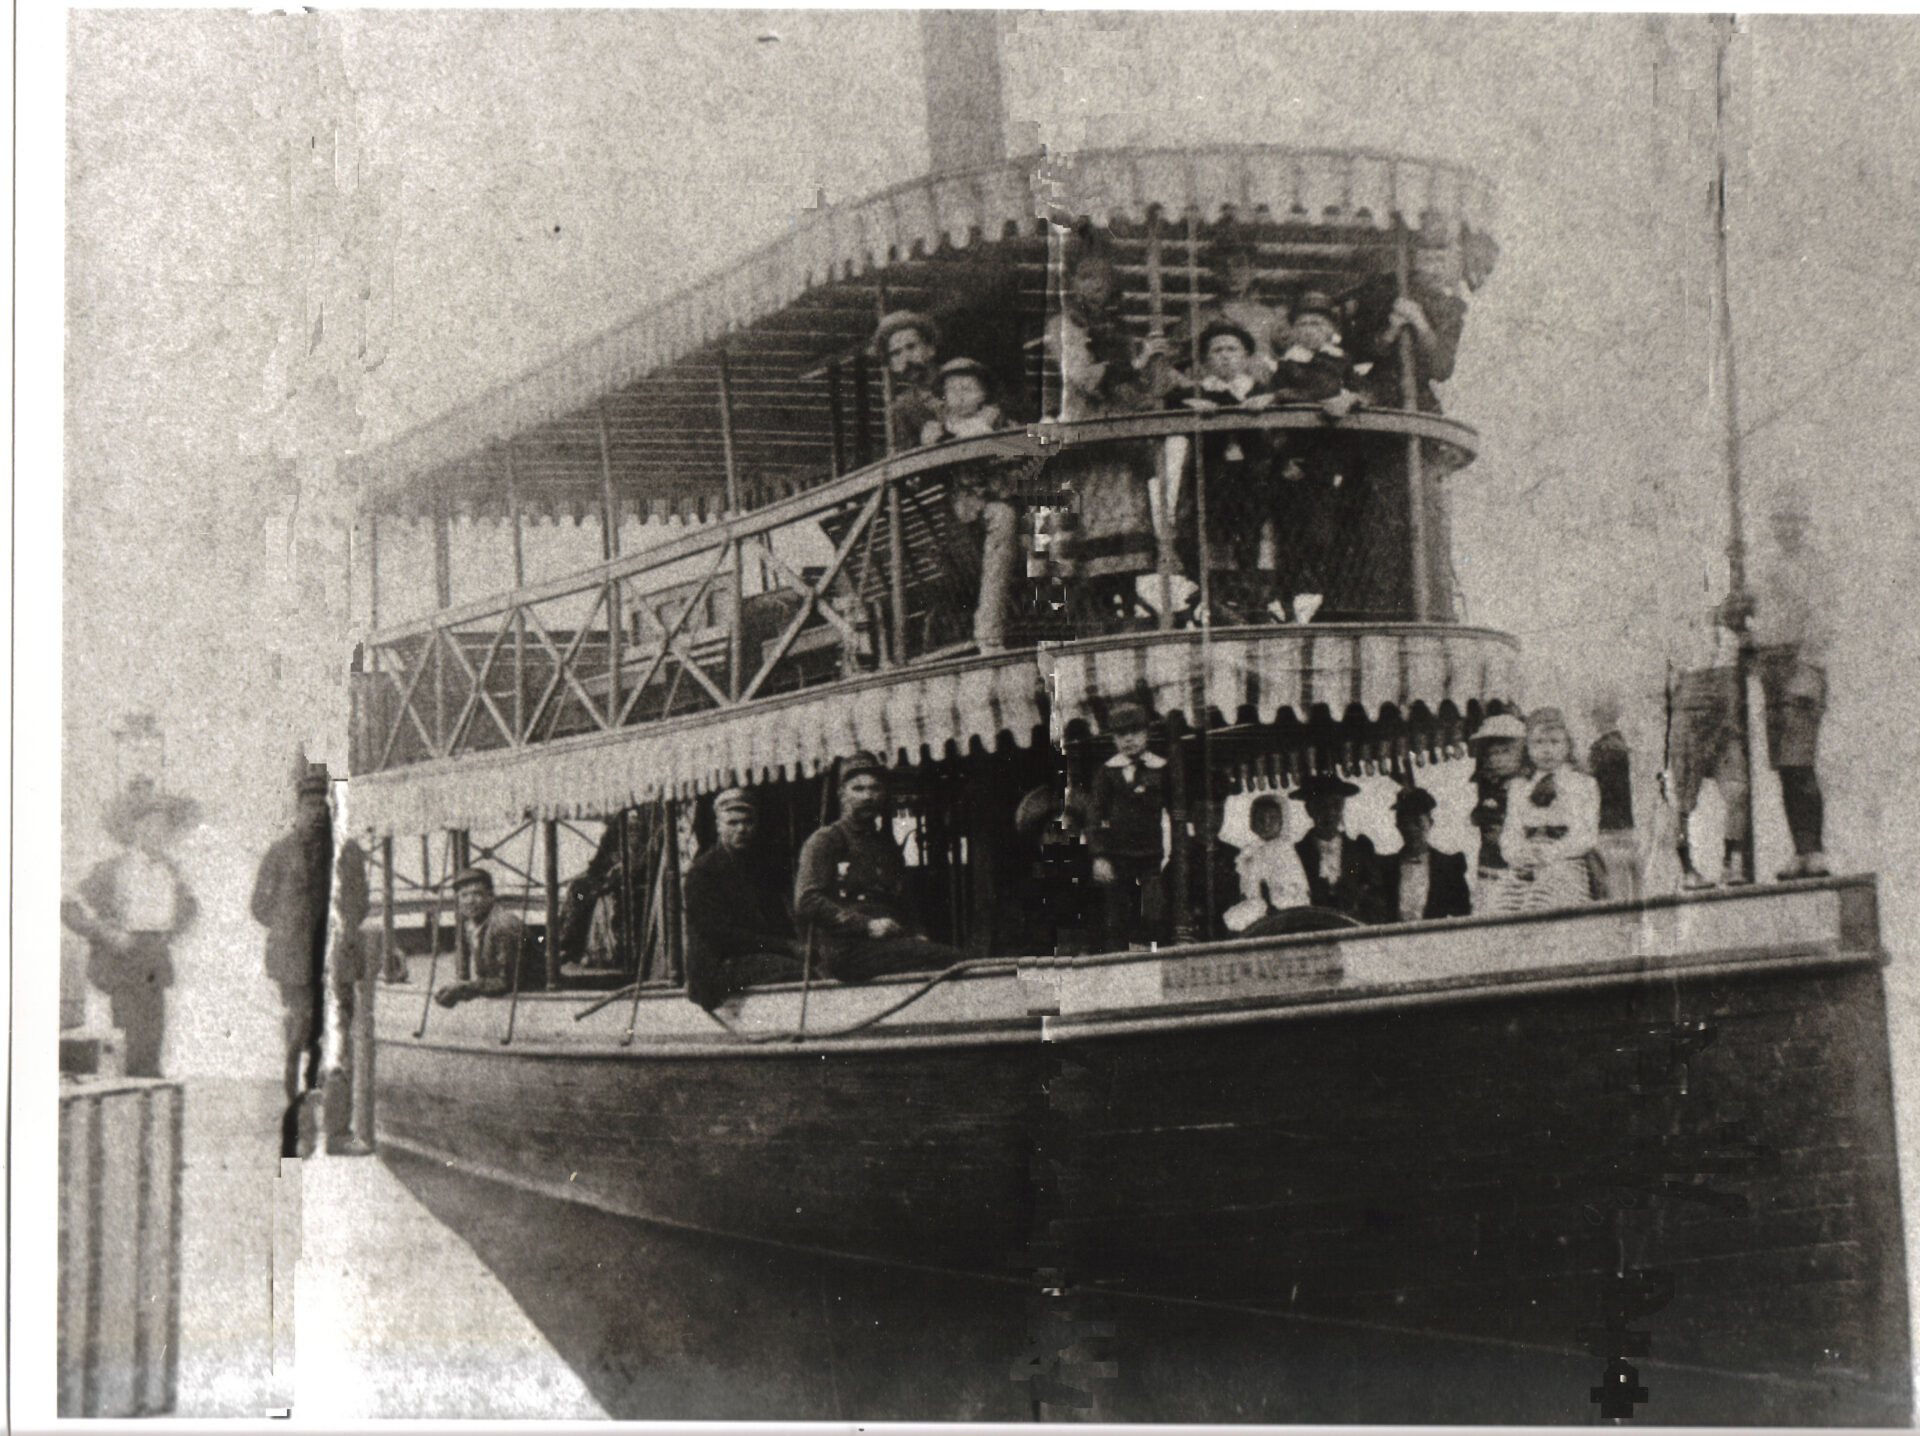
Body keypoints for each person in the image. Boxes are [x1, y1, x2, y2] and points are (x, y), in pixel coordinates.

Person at [1043, 234, 1167, 632]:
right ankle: (1091, 615)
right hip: (1085, 441)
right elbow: (1082, 376)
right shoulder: (1063, 326)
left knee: (1129, 528)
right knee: (1086, 534)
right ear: (1073, 283)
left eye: (1103, 277)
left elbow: (1146, 390)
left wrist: (1151, 366)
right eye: (1085, 277)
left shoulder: (1123, 329)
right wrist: (1132, 365)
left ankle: (1126, 608)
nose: (1095, 285)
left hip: (1120, 443)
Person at [1719, 490, 1834, 879]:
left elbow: (1821, 622)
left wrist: (1807, 671)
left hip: (1801, 666)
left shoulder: (1815, 566)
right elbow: (1733, 611)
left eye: (1793, 519)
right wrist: (1727, 569)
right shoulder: (1765, 568)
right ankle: (1799, 850)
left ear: (1804, 523)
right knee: (1785, 767)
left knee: (1800, 762)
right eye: (1779, 519)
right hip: (1770, 670)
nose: (1786, 527)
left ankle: (1813, 849)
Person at [62, 782, 200, 1077]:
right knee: (126, 1040)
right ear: (135, 829)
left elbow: (189, 907)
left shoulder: (170, 871)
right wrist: (107, 934)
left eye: (163, 827)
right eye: (150, 825)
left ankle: (151, 1100)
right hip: (123, 961)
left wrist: (169, 932)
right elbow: (70, 907)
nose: (157, 833)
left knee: (153, 1040)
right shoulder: (114, 869)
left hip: (155, 961)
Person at [794, 752, 964, 981]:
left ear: (883, 794)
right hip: (847, 949)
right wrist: (867, 926)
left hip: (888, 944)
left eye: (874, 789)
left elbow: (905, 900)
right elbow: (807, 901)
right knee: (956, 960)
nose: (868, 796)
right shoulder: (827, 840)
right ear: (841, 795)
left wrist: (918, 933)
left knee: (942, 961)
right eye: (858, 789)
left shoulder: (886, 846)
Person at [1164, 320, 1281, 622]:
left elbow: (1284, 400)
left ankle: (1252, 597)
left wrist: (1271, 400)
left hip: (1250, 476)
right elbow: (1170, 401)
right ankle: (1210, 595)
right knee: (1192, 533)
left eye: (1233, 349)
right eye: (1217, 350)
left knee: (1249, 534)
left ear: (1246, 356)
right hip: (1209, 475)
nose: (1226, 355)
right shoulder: (1200, 391)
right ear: (1204, 361)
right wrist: (1190, 403)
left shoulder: (1258, 389)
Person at [251, 767, 335, 1146]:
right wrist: (288, 925)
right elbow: (259, 905)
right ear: (297, 809)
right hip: (292, 956)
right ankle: (297, 1104)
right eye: (309, 805)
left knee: (322, 1030)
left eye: (322, 804)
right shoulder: (280, 851)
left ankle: (316, 1100)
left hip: (327, 955)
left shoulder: (336, 848)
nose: (316, 812)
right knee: (301, 1027)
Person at [925, 357, 1022, 653]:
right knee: (1003, 518)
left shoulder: (999, 420)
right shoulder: (941, 429)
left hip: (1009, 497)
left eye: (969, 388)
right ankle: (989, 629)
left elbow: (1026, 451)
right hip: (964, 518)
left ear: (983, 394)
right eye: (952, 390)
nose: (961, 394)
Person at [682, 787, 804, 1010]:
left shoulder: (757, 867)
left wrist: (797, 944)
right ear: (719, 826)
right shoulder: (704, 871)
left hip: (749, 959)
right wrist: (786, 946)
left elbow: (776, 918)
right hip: (717, 967)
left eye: (747, 822)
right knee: (797, 971)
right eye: (732, 823)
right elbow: (718, 933)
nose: (741, 829)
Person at [1086, 701, 1171, 949]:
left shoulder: (1160, 768)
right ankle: (1120, 965)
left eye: (1135, 732)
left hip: (1152, 856)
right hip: (1118, 856)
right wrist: (1099, 856)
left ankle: (1154, 957)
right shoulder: (1107, 772)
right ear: (1114, 738)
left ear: (1147, 733)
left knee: (1154, 912)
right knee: (1118, 915)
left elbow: (1173, 810)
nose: (1129, 739)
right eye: (1122, 734)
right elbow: (1094, 816)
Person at [1506, 707, 1601, 912]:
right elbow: (1510, 832)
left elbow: (1586, 835)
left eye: (1554, 742)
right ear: (1527, 748)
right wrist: (1519, 855)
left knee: (1540, 902)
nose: (1546, 750)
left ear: (1568, 745)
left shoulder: (1583, 784)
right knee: (1504, 906)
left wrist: (1549, 854)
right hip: (1526, 864)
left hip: (1565, 863)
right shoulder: (1519, 787)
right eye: (1538, 743)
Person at [432, 867, 531, 1007]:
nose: (469, 901)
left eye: (477, 894)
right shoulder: (473, 925)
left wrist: (465, 989)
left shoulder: (504, 926)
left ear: (491, 896)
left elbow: (509, 981)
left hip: (527, 996)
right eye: (464, 895)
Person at [1290, 773, 1382, 923]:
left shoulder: (1360, 850)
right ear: (1309, 809)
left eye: (1336, 804)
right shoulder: (1296, 854)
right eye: (1321, 805)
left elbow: (1377, 896)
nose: (1330, 812)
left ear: (1343, 806)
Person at [1374, 786, 1473, 922]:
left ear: (1430, 823)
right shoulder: (1384, 867)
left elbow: (1463, 917)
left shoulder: (1450, 867)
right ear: (1397, 825)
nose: (1411, 829)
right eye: (1405, 822)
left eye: (1418, 822)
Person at [1467, 712, 1530, 914]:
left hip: (1520, 872)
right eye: (1492, 754)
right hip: (1490, 870)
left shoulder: (1530, 789)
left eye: (1505, 752)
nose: (1497, 759)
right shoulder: (1489, 790)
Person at [1224, 792, 1312, 933]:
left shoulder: (1284, 850)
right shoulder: (1250, 852)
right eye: (1260, 820)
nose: (1266, 824)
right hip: (1254, 902)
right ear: (1252, 823)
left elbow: (1290, 883)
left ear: (1281, 822)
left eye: (1272, 819)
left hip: (1281, 904)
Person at [1586, 695, 1643, 902]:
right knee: (1636, 878)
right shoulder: (1623, 745)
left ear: (1597, 717)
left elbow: (1590, 785)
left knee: (1615, 880)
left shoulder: (1599, 749)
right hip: (1628, 823)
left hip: (1607, 825)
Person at [875, 309, 943, 454]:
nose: (905, 358)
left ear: (930, 348)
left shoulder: (961, 378)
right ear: (892, 365)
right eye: (896, 353)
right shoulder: (903, 407)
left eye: (911, 347)